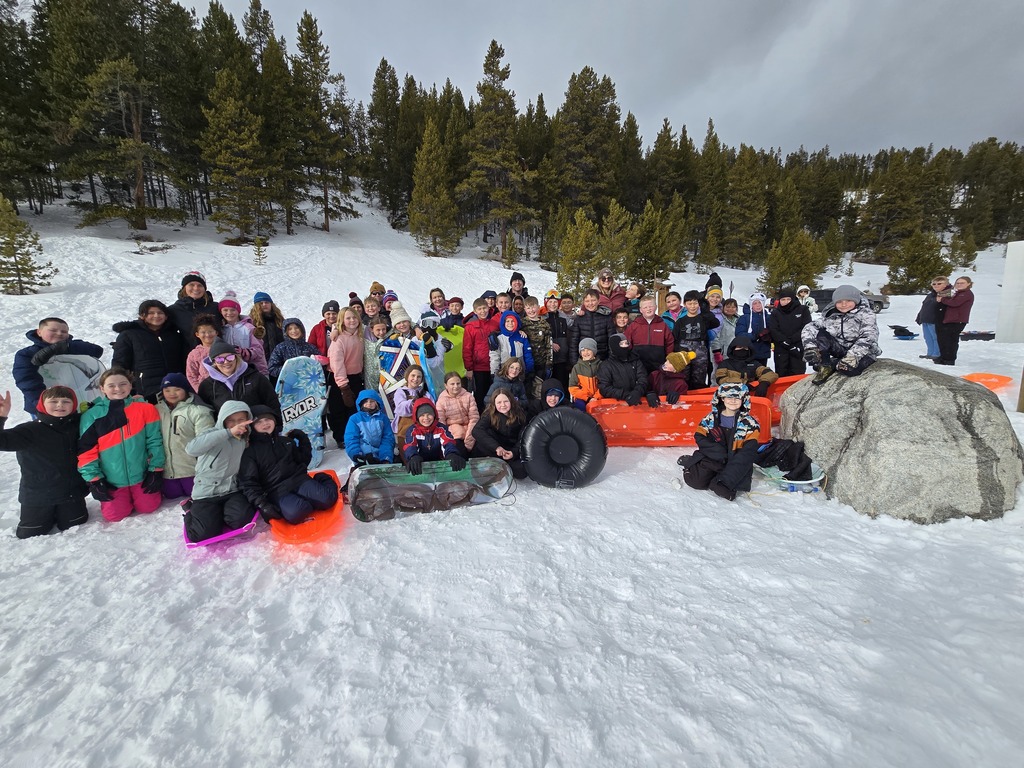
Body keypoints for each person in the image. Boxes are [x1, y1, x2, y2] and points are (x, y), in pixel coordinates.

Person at [78, 368, 165, 522]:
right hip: (112, 479)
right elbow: (86, 451)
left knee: (149, 507)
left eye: (123, 384)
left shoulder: (145, 409)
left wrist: (155, 470)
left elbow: (154, 441)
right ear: (102, 388)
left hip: (141, 475)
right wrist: (94, 480)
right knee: (114, 516)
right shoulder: (92, 415)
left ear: (130, 385)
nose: (117, 389)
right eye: (111, 385)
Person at [0, 387, 89, 538]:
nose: (60, 405)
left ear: (73, 405)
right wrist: (1, 417)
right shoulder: (29, 430)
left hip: (71, 493)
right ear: (42, 404)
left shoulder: (80, 425)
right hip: (38, 497)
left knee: (75, 525)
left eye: (66, 401)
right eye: (53, 401)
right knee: (30, 534)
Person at [237, 406, 339, 524]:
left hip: (299, 480)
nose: (265, 423)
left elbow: (303, 462)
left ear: (274, 421)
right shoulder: (250, 452)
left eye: (268, 419)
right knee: (296, 513)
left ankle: (321, 479)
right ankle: (304, 500)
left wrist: (303, 439)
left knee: (327, 500)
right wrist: (262, 505)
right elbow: (249, 483)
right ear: (252, 426)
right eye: (259, 421)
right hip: (276, 490)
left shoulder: (285, 442)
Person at [182, 400, 256, 542]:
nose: (237, 424)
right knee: (201, 535)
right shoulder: (212, 434)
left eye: (241, 420)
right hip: (206, 493)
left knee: (241, 521)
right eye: (231, 420)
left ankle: (217, 515)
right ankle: (189, 510)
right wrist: (228, 432)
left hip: (231, 491)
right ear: (223, 420)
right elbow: (191, 449)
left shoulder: (244, 440)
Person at [678, 382, 761, 502]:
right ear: (722, 398)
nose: (733, 401)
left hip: (736, 461)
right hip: (714, 458)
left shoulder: (750, 424)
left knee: (727, 486)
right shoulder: (710, 419)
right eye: (729, 397)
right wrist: (718, 452)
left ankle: (720, 478)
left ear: (744, 399)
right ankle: (691, 462)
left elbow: (747, 453)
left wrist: (725, 482)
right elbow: (700, 436)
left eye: (737, 397)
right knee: (695, 482)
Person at [13, 317, 104, 418]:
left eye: (64, 331)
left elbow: (97, 351)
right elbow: (26, 380)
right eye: (53, 330)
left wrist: (65, 347)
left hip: (80, 400)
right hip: (46, 405)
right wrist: (41, 403)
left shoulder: (74, 347)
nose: (59, 333)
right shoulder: (27, 354)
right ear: (39, 332)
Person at [801, 285, 881, 385]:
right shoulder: (831, 315)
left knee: (847, 370)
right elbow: (810, 327)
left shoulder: (866, 314)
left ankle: (836, 364)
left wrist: (852, 357)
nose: (843, 304)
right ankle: (826, 365)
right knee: (822, 334)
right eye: (839, 302)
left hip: (864, 352)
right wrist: (810, 348)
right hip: (841, 349)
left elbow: (868, 337)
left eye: (848, 301)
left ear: (855, 300)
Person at [155, 373, 214, 500]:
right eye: (167, 390)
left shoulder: (198, 411)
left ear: (186, 390)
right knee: (170, 496)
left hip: (191, 471)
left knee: (196, 495)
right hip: (167, 473)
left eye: (177, 389)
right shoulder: (156, 410)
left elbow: (206, 442)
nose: (172, 393)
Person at [111, 299, 185, 399]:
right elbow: (120, 364)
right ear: (142, 315)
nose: (156, 316)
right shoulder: (129, 334)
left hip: (174, 387)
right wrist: (125, 388)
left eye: (160, 313)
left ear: (166, 316)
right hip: (145, 390)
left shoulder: (173, 334)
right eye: (151, 313)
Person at [197, 340, 281, 414]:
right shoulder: (206, 386)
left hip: (258, 429)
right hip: (227, 431)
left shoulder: (256, 378)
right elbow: (207, 415)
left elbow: (273, 405)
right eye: (220, 359)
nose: (226, 362)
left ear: (236, 358)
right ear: (214, 362)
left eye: (230, 357)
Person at [327, 306, 365, 443]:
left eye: (354, 317)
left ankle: (354, 435)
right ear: (342, 321)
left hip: (355, 377)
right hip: (340, 379)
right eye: (348, 318)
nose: (352, 320)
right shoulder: (339, 339)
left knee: (354, 408)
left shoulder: (360, 335)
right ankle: (341, 437)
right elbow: (337, 363)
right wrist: (343, 386)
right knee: (339, 409)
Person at [471, 389, 528, 479]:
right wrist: (496, 447)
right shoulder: (490, 414)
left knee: (521, 472)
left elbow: (523, 437)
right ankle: (496, 465)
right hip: (495, 449)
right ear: (494, 404)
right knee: (484, 436)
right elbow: (476, 431)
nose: (503, 405)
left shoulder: (520, 415)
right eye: (499, 402)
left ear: (511, 401)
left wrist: (514, 452)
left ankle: (502, 466)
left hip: (511, 450)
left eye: (506, 401)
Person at [672, 290, 720, 390]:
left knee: (699, 377)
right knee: (683, 376)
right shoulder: (680, 321)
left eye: (695, 303)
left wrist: (705, 310)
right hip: (683, 351)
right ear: (685, 305)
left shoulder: (703, 318)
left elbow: (716, 323)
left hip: (700, 352)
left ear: (699, 304)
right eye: (689, 304)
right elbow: (675, 338)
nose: (692, 306)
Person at [402, 398, 464, 474]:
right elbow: (410, 445)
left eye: (429, 415)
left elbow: (448, 442)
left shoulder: (441, 429)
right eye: (422, 415)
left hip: (440, 465)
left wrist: (452, 454)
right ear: (417, 417)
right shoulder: (412, 430)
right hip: (420, 466)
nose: (426, 418)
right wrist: (413, 456)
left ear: (434, 415)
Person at [218, 290, 269, 376]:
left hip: (254, 371)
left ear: (238, 311)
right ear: (221, 311)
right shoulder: (221, 330)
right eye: (225, 310)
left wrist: (243, 353)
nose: (229, 313)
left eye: (233, 310)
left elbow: (259, 351)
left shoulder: (249, 328)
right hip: (231, 372)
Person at [463, 297, 499, 412]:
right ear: (475, 311)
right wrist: (469, 368)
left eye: (484, 308)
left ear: (488, 308)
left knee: (493, 393)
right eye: (479, 309)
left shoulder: (494, 324)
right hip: (479, 367)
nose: (482, 311)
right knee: (480, 395)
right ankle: (479, 417)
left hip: (494, 366)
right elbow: (467, 348)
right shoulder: (470, 327)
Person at [343, 390, 397, 467]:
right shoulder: (354, 419)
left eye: (372, 401)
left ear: (377, 403)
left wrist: (385, 458)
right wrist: (356, 455)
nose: (369, 404)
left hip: (380, 455)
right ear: (361, 403)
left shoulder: (383, 418)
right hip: (362, 456)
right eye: (365, 401)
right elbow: (351, 439)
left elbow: (387, 439)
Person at [168, 271, 219, 353]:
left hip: (217, 357)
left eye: (200, 285)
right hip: (188, 357)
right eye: (191, 285)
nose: (196, 288)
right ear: (184, 288)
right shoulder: (174, 310)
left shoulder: (215, 307)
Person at [768, 287, 812, 376]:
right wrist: (784, 341)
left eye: (788, 299)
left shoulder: (802, 310)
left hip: (797, 347)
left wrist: (792, 340)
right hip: (781, 348)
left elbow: (806, 327)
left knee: (797, 374)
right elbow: (773, 329)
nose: (786, 302)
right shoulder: (776, 313)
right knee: (781, 374)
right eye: (783, 299)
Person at [715, 335, 780, 396]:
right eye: (739, 347)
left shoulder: (754, 364)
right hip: (729, 397)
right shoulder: (725, 364)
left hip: (749, 397)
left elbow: (770, 373)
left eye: (745, 348)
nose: (742, 350)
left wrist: (764, 383)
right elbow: (721, 379)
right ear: (733, 349)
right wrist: (742, 383)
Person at [625, 296, 674, 375]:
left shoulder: (662, 324)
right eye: (645, 307)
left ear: (655, 307)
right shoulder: (634, 325)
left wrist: (669, 358)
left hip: (658, 363)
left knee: (656, 382)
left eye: (651, 306)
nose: (648, 309)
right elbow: (627, 342)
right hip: (638, 362)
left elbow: (669, 342)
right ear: (641, 310)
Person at [435, 371, 480, 457]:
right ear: (446, 385)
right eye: (452, 384)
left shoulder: (468, 396)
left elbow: (474, 418)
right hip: (454, 434)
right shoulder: (441, 401)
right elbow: (441, 424)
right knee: (459, 452)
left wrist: (469, 437)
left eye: (458, 383)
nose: (456, 386)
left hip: (471, 431)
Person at [597, 334, 647, 406]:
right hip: (616, 404)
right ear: (615, 346)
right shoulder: (606, 365)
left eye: (626, 343)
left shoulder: (635, 360)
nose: (625, 346)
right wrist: (625, 395)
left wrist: (637, 392)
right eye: (621, 344)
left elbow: (643, 379)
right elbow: (604, 388)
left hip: (637, 400)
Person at [935, 276, 975, 366]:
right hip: (948, 319)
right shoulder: (955, 292)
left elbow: (955, 303)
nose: (959, 285)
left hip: (958, 320)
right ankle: (943, 357)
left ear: (968, 284)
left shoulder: (966, 294)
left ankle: (949, 359)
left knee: (951, 341)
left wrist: (943, 299)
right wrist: (941, 296)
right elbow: (939, 294)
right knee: (943, 339)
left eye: (962, 283)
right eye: (958, 283)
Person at [569, 288, 614, 364]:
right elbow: (574, 342)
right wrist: (575, 363)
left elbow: (611, 340)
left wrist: (611, 361)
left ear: (598, 301)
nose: (590, 303)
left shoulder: (606, 317)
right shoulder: (579, 319)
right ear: (583, 303)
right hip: (585, 359)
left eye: (593, 300)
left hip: (602, 358)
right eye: (587, 301)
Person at [490, 310, 535, 381]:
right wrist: (494, 372)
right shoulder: (499, 338)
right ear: (503, 323)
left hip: (519, 373)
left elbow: (528, 354)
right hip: (503, 374)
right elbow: (495, 357)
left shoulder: (522, 337)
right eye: (507, 321)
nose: (510, 323)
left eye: (513, 321)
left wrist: (529, 369)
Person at [391, 364, 431, 438]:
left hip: (422, 425)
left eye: (419, 377)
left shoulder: (425, 393)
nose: (415, 379)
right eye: (413, 375)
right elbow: (400, 408)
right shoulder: (401, 391)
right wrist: (413, 402)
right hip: (405, 426)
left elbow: (432, 408)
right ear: (407, 376)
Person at [915, 276, 948, 360]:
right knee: (927, 337)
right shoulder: (930, 295)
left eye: (939, 284)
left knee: (935, 337)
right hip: (926, 319)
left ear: (945, 284)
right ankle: (930, 353)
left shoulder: (946, 293)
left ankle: (936, 353)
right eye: (934, 284)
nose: (936, 285)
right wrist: (920, 316)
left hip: (935, 320)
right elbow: (925, 306)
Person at [185, 314, 221, 391]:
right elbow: (191, 375)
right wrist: (200, 390)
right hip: (206, 391)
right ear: (197, 334)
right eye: (203, 332)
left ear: (216, 332)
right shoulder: (194, 354)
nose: (207, 335)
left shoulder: (225, 348)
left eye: (210, 331)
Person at [544, 291, 570, 390]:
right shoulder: (543, 318)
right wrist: (550, 344)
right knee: (550, 385)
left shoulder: (564, 318)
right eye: (550, 302)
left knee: (563, 385)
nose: (553, 304)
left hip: (562, 359)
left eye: (555, 302)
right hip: (549, 359)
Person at [736, 293, 772, 366]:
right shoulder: (744, 318)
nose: (758, 305)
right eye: (755, 303)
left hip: (763, 353)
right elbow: (739, 334)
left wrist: (770, 337)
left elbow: (774, 331)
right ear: (751, 305)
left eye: (760, 303)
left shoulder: (769, 318)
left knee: (762, 375)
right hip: (748, 353)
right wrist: (755, 336)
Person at [249, 291, 285, 360]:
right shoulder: (252, 323)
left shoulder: (280, 320)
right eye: (261, 303)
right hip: (261, 360)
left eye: (267, 302)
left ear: (271, 304)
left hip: (280, 359)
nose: (264, 305)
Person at [568, 338, 603, 409]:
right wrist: (587, 398)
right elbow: (572, 388)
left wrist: (596, 397)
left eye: (589, 350)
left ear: (594, 351)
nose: (586, 353)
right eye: (583, 350)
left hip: (599, 397)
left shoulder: (601, 365)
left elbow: (604, 384)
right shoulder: (577, 367)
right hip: (583, 398)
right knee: (580, 407)